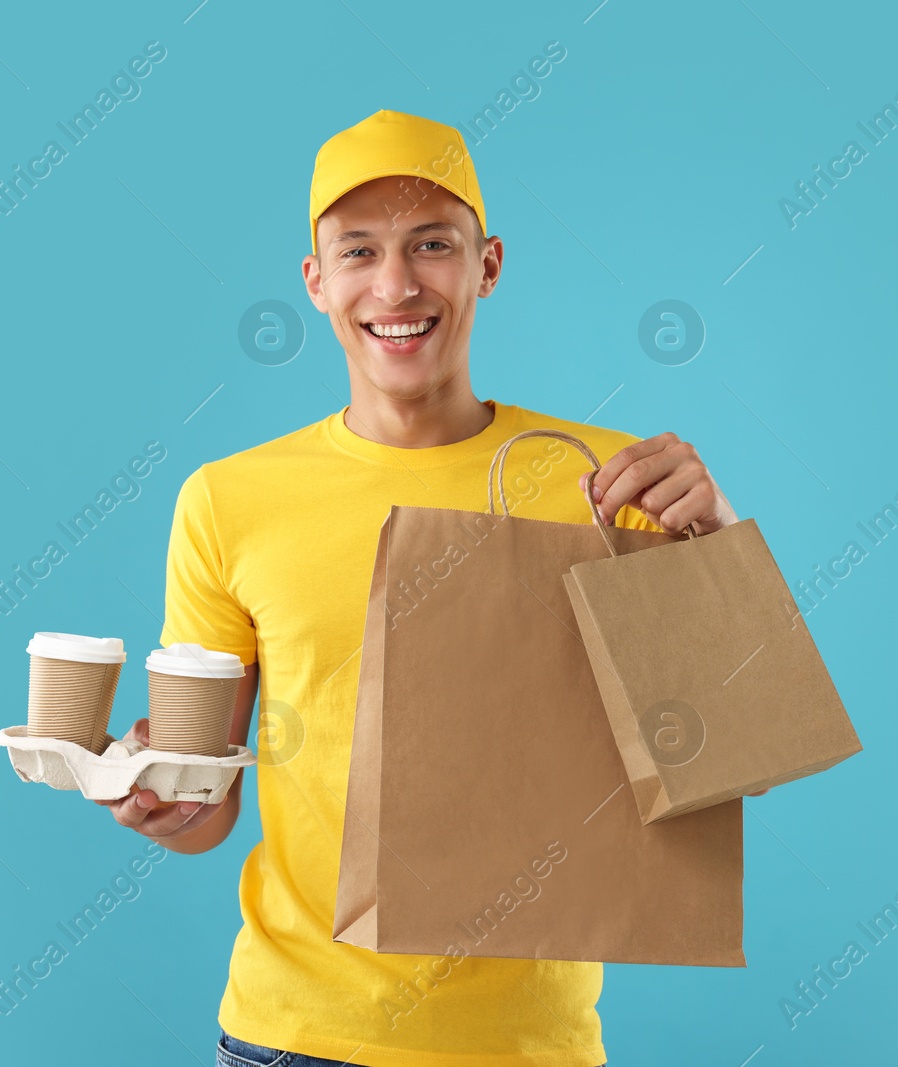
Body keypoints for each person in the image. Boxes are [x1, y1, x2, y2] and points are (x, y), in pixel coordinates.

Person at [96, 109, 764, 1067]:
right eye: (359, 251)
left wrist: (718, 540)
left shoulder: (607, 481)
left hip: (528, 1047)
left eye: (432, 246)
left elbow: (723, 754)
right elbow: (209, 809)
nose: (397, 284)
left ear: (487, 265)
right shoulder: (228, 501)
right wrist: (159, 798)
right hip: (293, 1037)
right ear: (316, 281)